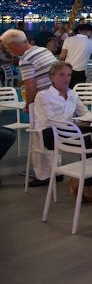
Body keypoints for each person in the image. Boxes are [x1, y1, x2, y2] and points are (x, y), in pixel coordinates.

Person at [34, 61, 92, 201]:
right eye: (62, 75)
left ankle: (85, 178)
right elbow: (49, 121)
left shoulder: (72, 94)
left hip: (70, 130)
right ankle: (84, 185)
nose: (66, 78)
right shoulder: (43, 95)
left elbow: (86, 113)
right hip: (49, 134)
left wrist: (83, 120)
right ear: (52, 77)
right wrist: (76, 123)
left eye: (69, 75)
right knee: (88, 140)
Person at [0, 29, 57, 186]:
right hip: (55, 97)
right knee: (52, 135)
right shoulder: (43, 50)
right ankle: (55, 170)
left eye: (7, 47)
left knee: (39, 137)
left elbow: (30, 86)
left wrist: (28, 104)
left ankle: (43, 175)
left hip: (42, 101)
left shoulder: (26, 59)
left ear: (16, 45)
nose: (7, 50)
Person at [59, 23, 92, 88]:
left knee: (66, 90)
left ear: (79, 30)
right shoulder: (91, 43)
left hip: (66, 69)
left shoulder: (68, 39)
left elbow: (62, 56)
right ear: (90, 32)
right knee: (78, 91)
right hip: (80, 72)